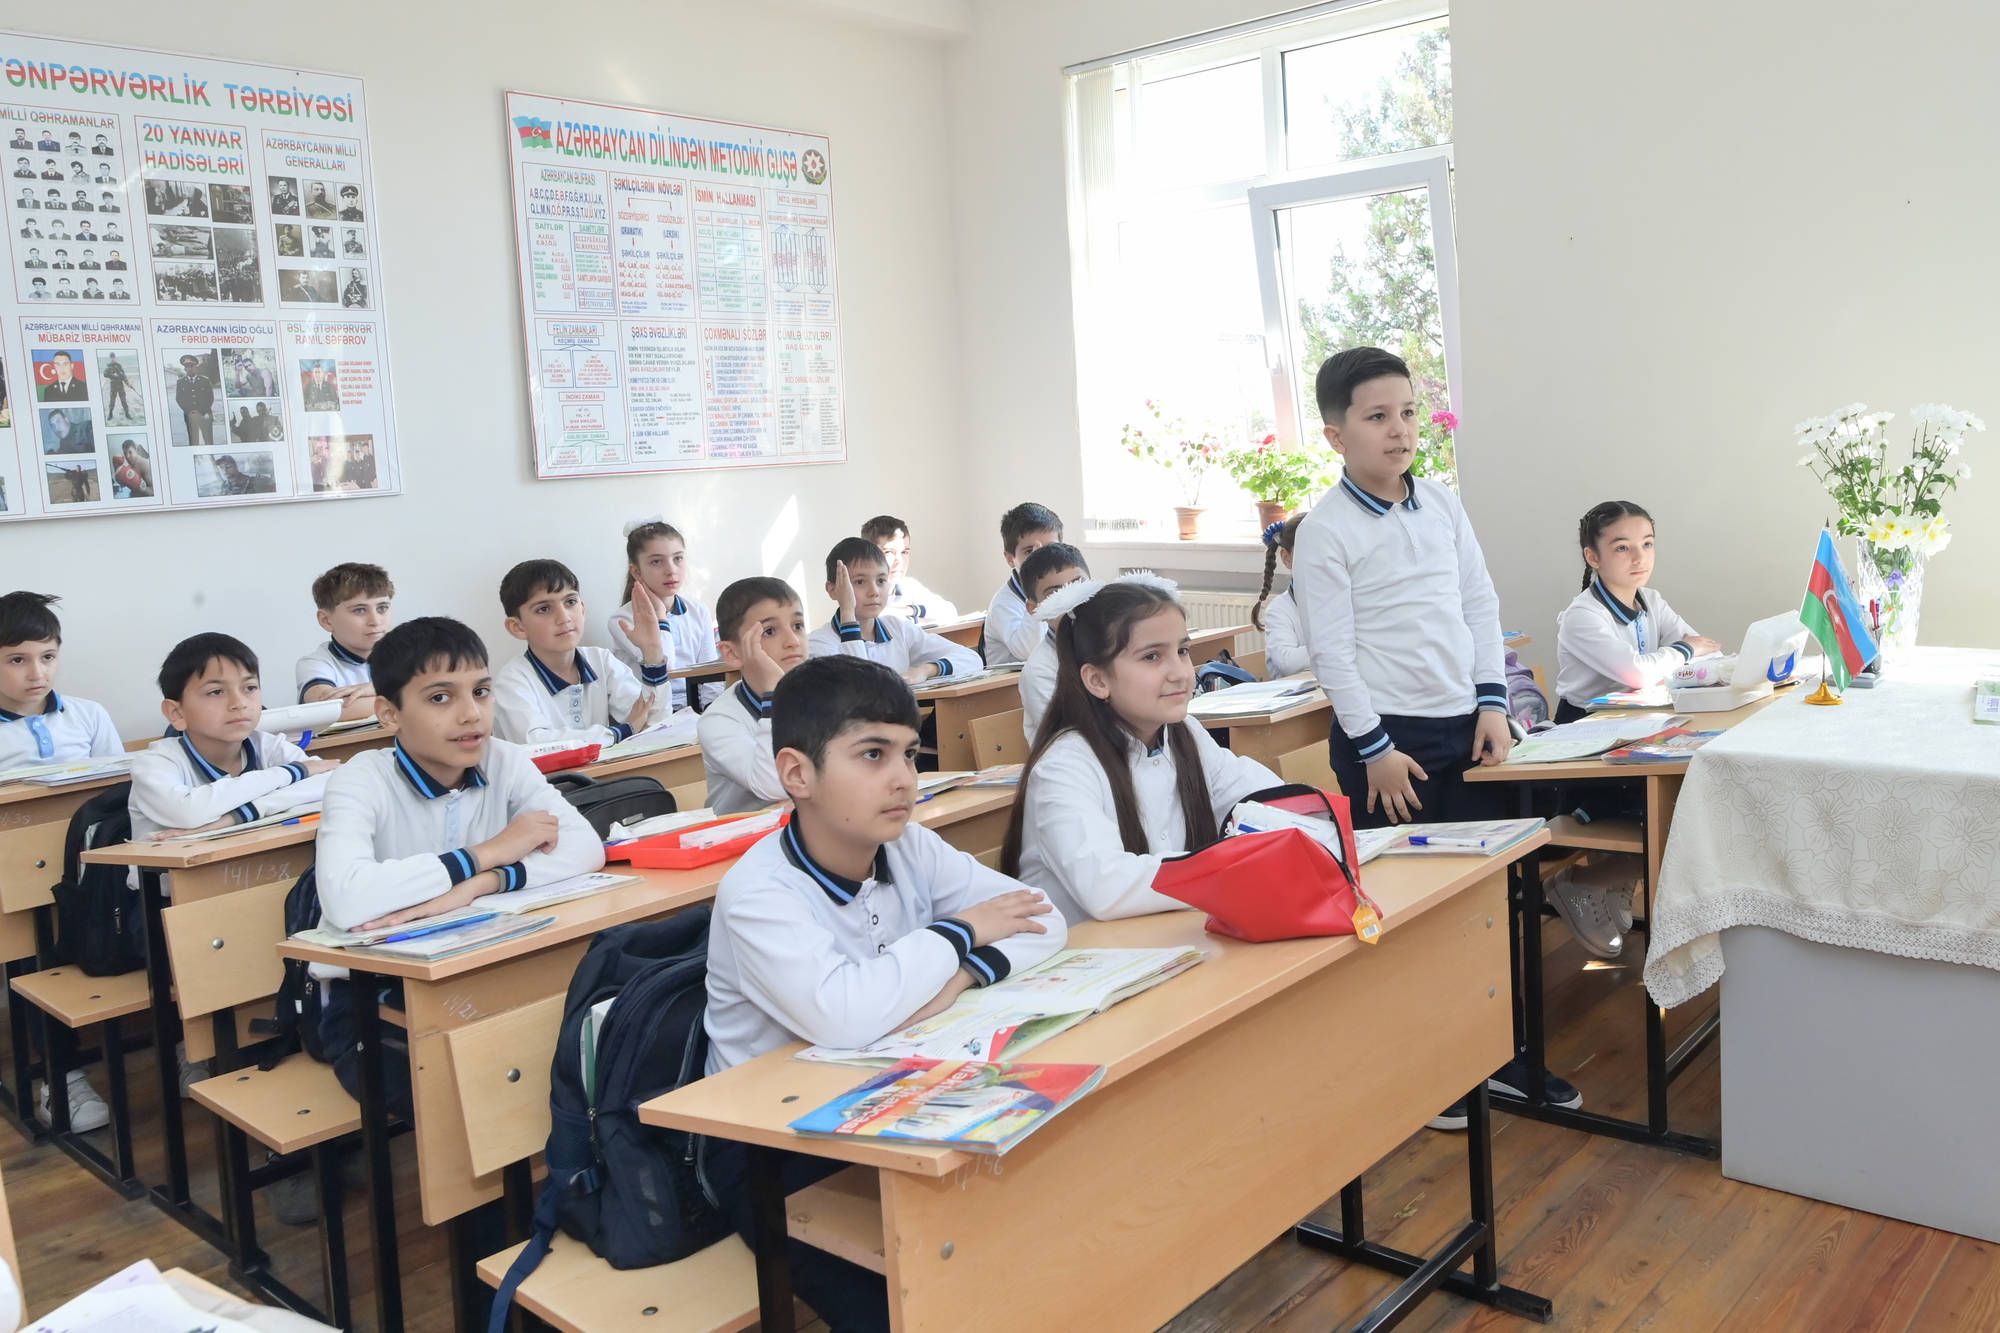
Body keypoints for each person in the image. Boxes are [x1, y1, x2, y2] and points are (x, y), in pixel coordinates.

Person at [703, 655, 1066, 1331]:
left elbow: (1045, 917)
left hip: (895, 1094)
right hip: (775, 1146)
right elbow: (847, 1017)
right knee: (908, 1310)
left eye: (909, 753)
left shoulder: (910, 845)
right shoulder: (758, 891)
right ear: (796, 774)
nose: (903, 777)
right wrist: (961, 931)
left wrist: (958, 976)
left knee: (1038, 1226)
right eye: (873, 754)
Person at [1291, 347, 1568, 1128]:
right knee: (1411, 911)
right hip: (1390, 745)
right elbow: (1332, 653)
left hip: (1465, 726)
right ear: (1336, 435)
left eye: (1409, 412)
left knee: (1484, 900)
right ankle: (1426, 1072)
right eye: (1377, 416)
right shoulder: (1327, 529)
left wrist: (1492, 704)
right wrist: (1375, 750)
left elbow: (1479, 603)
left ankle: (1498, 1053)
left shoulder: (1440, 502)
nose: (1400, 430)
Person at [309, 617, 605, 1126]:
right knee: (487, 1092)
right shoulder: (361, 778)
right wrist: (487, 853)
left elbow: (584, 847)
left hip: (483, 967)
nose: (471, 714)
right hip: (372, 1000)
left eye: (481, 692)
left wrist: (478, 884)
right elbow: (346, 898)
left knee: (578, 1048)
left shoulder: (504, 760)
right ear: (389, 713)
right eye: (440, 698)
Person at [1003, 578, 1280, 925]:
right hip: (1086, 951)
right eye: (1152, 657)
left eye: (1182, 651)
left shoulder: (1186, 734)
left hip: (1162, 936)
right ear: (1098, 681)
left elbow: (1268, 799)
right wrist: (1226, 866)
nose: (1180, 673)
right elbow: (1105, 886)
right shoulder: (1064, 766)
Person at [1555, 501, 1719, 723]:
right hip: (1586, 724)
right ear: (1593, 557)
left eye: (1647, 544)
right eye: (1622, 548)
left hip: (1639, 716)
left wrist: (1686, 654)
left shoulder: (1651, 600)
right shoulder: (1581, 616)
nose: (1640, 558)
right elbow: (1638, 674)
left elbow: (1708, 653)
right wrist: (1686, 650)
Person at [493, 558, 664, 747]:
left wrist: (653, 652)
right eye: (544, 609)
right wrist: (619, 733)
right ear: (517, 627)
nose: (564, 617)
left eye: (570, 602)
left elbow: (655, 724)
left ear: (582, 609)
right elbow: (537, 744)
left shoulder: (601, 661)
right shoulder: (511, 681)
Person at [697, 576, 807, 814]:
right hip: (745, 835)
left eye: (798, 626)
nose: (792, 641)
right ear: (732, 653)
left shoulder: (823, 695)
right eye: (769, 631)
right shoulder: (718, 720)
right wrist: (773, 691)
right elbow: (775, 785)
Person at [810, 538, 980, 685]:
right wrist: (847, 612)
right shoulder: (819, 645)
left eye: (881, 580)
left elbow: (972, 659)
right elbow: (863, 688)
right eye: (860, 582)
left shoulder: (897, 627)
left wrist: (926, 670)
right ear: (832, 589)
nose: (874, 591)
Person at [606, 519, 720, 711]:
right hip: (652, 711)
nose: (671, 570)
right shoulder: (622, 620)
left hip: (695, 710)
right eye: (656, 562)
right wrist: (660, 616)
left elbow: (711, 676)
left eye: (678, 558)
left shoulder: (698, 611)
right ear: (636, 571)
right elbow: (666, 667)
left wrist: (711, 712)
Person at [297, 562, 396, 717]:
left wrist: (377, 689)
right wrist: (400, 694)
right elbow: (327, 710)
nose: (375, 621)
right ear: (326, 621)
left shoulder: (410, 655)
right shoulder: (316, 664)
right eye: (360, 610)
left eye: (382, 608)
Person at [1015, 542, 1090, 743]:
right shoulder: (1039, 672)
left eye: (1078, 586)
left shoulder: (1114, 643)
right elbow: (1071, 742)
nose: (1071, 601)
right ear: (1034, 609)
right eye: (1055, 594)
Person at [982, 502, 1063, 665]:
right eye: (1029, 552)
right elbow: (1029, 651)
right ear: (1010, 559)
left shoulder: (1062, 589)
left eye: (1051, 549)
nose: (1042, 559)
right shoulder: (1003, 605)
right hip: (1014, 681)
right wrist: (1038, 590)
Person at [862, 514, 958, 622]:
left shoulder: (908, 586)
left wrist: (911, 610)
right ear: (868, 556)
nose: (900, 561)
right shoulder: (859, 592)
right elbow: (876, 616)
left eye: (904, 552)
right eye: (889, 552)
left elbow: (950, 611)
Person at [1252, 514, 1309, 678]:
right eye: (1309, 552)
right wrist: (1339, 647)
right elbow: (1288, 663)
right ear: (1286, 558)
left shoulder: (1339, 598)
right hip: (1296, 693)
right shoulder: (1279, 610)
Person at [174, 354, 214, 446]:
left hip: (205, 413)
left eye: (192, 366)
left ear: (196, 367)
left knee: (208, 440)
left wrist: (201, 411)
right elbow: (179, 399)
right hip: (189, 415)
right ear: (184, 369)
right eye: (187, 366)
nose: (190, 368)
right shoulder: (180, 382)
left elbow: (210, 398)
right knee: (193, 441)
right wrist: (189, 411)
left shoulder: (205, 380)